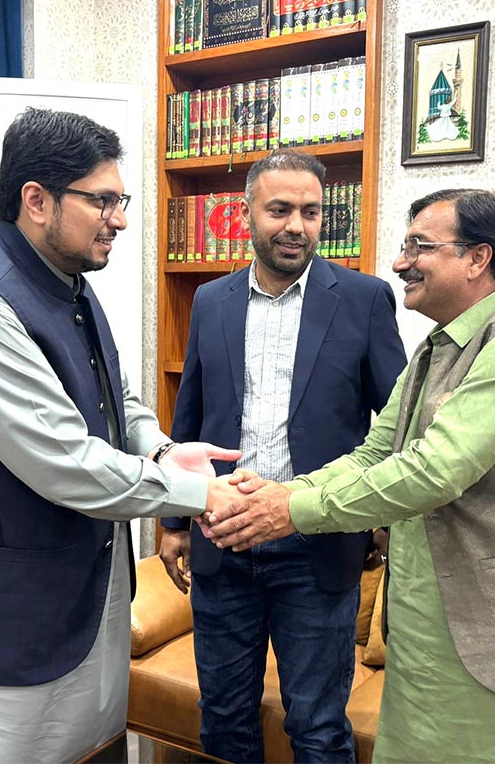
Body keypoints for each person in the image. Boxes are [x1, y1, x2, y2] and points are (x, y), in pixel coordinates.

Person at [204, 189, 495, 763]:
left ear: (478, 258)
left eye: (418, 246)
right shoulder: (439, 349)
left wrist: (287, 512)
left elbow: (433, 472)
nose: (400, 263)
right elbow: (376, 453)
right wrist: (282, 493)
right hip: (448, 647)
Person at [0, 108, 246, 763]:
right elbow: (62, 461)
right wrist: (202, 496)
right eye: (103, 200)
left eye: (121, 199)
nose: (119, 217)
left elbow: (115, 400)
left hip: (52, 610)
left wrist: (162, 449)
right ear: (36, 200)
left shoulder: (69, 287)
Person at [159, 149, 406, 762]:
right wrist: (171, 521)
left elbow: (399, 424)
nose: (297, 225)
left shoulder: (363, 299)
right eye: (280, 210)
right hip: (222, 536)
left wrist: (378, 516)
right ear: (246, 215)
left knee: (318, 728)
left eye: (311, 212)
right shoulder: (212, 301)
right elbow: (188, 417)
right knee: (222, 720)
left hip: (315, 546)